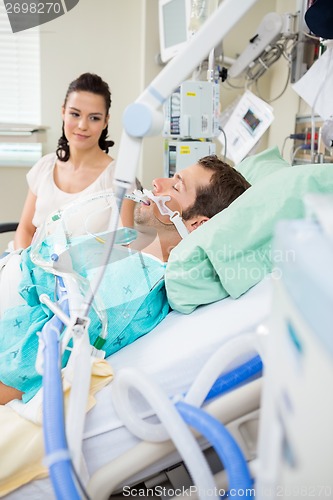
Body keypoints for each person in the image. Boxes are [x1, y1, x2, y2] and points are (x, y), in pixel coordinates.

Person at [0, 155, 250, 405]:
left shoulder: (135, 290)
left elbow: (33, 365)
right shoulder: (130, 242)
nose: (157, 183)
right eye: (171, 176)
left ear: (196, 224)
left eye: (176, 186)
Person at [13, 72, 133, 250]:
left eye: (94, 118)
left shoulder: (119, 178)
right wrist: (25, 269)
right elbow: (25, 229)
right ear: (63, 112)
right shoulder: (45, 167)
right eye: (75, 114)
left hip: (86, 275)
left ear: (106, 121)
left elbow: (127, 245)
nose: (82, 125)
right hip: (31, 267)